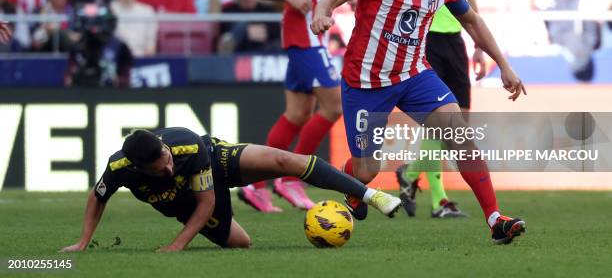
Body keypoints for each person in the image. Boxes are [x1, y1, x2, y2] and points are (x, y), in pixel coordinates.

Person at [311, 0, 527, 244]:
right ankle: (352, 184)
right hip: (366, 82)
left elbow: (471, 22)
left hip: (414, 76)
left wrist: (504, 64)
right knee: (367, 170)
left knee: (461, 138)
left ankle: (495, 219)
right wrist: (323, 10)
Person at [59, 127, 401, 252]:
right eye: (159, 168)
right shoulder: (119, 168)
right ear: (139, 169)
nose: (167, 165)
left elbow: (207, 199)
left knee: (283, 161)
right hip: (186, 201)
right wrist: (83, 241)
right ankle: (246, 199)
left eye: (165, 157)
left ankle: (370, 194)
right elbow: (97, 197)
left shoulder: (186, 147)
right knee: (241, 243)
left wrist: (177, 245)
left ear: (164, 145)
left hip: (214, 161)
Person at [239, 0, 345, 212]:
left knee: (297, 114)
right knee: (333, 106)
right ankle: (290, 178)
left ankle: (255, 185)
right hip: (301, 36)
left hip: (321, 36)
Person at [395, 0, 486, 219]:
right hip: (426, 37)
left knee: (458, 123)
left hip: (456, 41)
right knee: (440, 124)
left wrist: (477, 44)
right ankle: (439, 201)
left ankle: (410, 171)